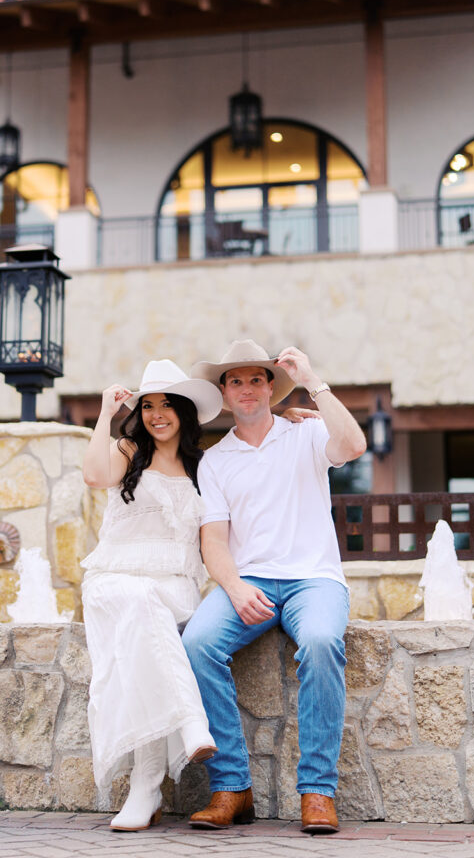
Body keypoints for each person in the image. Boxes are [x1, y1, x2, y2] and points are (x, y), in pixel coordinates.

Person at [182, 339, 367, 834]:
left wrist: (314, 383)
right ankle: (231, 787)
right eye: (235, 380)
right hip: (251, 581)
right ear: (224, 394)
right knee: (197, 643)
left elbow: (353, 446)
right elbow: (214, 543)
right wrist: (236, 588)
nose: (246, 388)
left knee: (323, 641)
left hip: (314, 579)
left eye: (256, 379)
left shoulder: (306, 433)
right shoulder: (214, 461)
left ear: (271, 388)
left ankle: (317, 792)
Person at [81, 359, 223, 832]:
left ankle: (146, 789)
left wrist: (289, 420)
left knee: (149, 615)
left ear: (183, 411)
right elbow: (95, 476)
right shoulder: (126, 450)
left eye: (165, 405)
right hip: (114, 581)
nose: (156, 414)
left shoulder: (204, 466)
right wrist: (105, 413)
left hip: (177, 586)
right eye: (147, 406)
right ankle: (188, 725)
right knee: (142, 606)